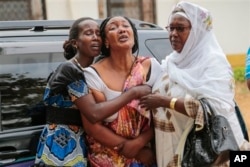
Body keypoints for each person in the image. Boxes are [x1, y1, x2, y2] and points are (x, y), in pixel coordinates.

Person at [139, 1, 250, 167]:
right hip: (170, 148)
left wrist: (165, 102)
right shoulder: (170, 63)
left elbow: (213, 111)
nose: (173, 34)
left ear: (197, 31)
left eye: (180, 28)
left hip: (207, 153)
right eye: (171, 28)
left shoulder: (213, 64)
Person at [34, 17, 152, 167]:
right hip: (62, 145)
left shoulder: (91, 72)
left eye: (98, 33)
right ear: (75, 43)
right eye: (89, 33)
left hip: (81, 143)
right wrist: (134, 92)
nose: (95, 37)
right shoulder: (69, 69)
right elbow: (94, 113)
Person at [83, 16, 162, 166]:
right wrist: (135, 149)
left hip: (147, 158)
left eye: (126, 26)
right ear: (106, 41)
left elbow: (163, 114)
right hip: (106, 159)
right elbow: (92, 126)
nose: (121, 30)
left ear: (133, 34)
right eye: (113, 28)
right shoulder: (93, 74)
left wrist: (141, 141)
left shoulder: (151, 67)